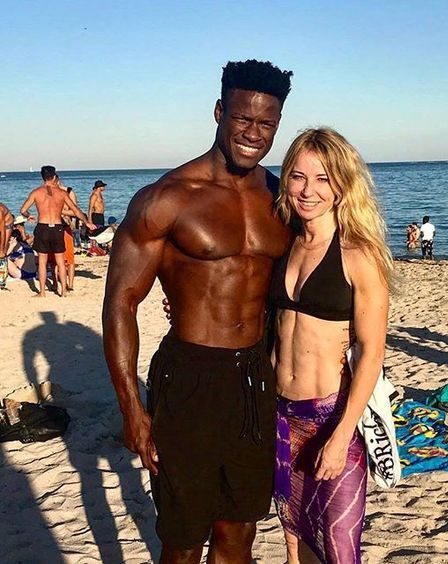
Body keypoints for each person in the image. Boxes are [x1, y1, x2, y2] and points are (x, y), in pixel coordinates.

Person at [102, 60, 293, 563]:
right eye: (242, 118)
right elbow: (121, 301)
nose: (253, 133)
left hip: (255, 376)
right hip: (190, 376)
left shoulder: (282, 199)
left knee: (240, 530)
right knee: (184, 538)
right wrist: (131, 409)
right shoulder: (166, 199)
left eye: (266, 123)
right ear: (218, 111)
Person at [271, 128, 392, 563]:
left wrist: (342, 435)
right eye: (298, 176)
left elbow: (373, 352)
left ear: (342, 184)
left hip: (331, 417)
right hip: (281, 416)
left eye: (323, 179)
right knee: (294, 540)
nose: (308, 191)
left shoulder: (359, 254)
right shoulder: (283, 243)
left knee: (340, 548)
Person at [20, 166, 94, 297]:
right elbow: (76, 210)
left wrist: (28, 216)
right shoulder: (62, 193)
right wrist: (87, 222)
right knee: (60, 261)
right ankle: (64, 291)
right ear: (54, 177)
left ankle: (42, 292)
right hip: (57, 228)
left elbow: (22, 210)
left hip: (42, 227)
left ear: (42, 177)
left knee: (42, 261)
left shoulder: (36, 192)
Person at [0, 202, 14, 290]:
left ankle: (1, 280)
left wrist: (1, 250)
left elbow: (2, 232)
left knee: (3, 250)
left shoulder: (0, 211)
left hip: (7, 224)